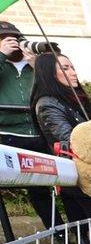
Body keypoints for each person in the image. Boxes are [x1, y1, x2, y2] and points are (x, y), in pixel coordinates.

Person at [31, 53, 91, 244]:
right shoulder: (47, 103)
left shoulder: (75, 99)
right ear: (50, 74)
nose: (73, 73)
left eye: (72, 67)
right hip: (79, 176)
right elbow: (70, 139)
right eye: (65, 68)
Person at [0, 21, 63, 230]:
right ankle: (60, 236)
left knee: (65, 184)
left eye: (14, 38)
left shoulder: (33, 65)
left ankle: (78, 232)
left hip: (41, 131)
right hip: (11, 134)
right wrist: (1, 55)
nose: (11, 42)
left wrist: (38, 66)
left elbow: (57, 89)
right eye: (4, 38)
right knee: (37, 190)